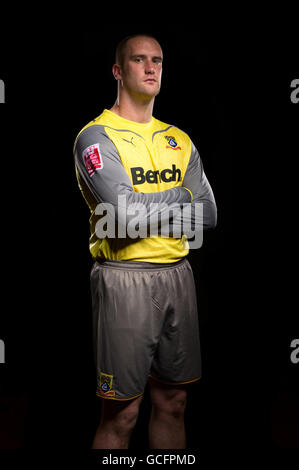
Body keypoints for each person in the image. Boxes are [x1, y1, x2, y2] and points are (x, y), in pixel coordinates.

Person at [73, 33, 217, 449]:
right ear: (119, 71)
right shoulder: (96, 137)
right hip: (124, 278)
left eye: (157, 60)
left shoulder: (180, 139)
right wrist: (181, 198)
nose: (151, 67)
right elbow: (120, 213)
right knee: (123, 413)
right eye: (139, 60)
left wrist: (143, 205)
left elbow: (207, 214)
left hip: (177, 275)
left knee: (174, 401)